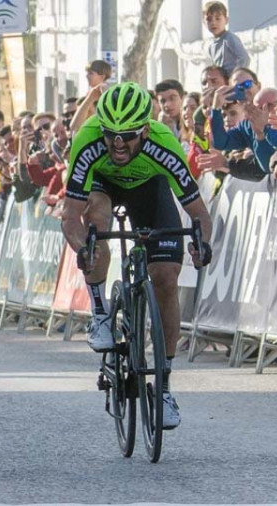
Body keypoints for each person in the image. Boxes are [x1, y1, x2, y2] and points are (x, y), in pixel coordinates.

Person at [61, 82, 213, 429]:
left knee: (165, 279)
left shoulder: (163, 143)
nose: (117, 144)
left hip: (150, 188)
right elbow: (70, 216)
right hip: (103, 186)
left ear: (145, 130)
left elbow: (199, 214)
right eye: (110, 134)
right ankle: (100, 312)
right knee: (96, 225)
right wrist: (83, 247)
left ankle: (164, 386)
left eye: (127, 135)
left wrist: (202, 243)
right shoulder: (87, 140)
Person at [203, 1, 250, 77]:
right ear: (204, 22)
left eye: (217, 18)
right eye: (209, 20)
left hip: (234, 82)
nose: (213, 23)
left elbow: (244, 58)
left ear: (226, 20)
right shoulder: (211, 47)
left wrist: (235, 76)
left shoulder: (229, 39)